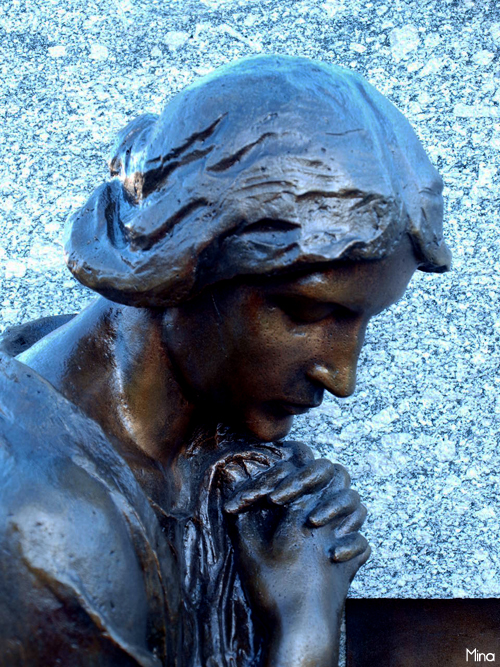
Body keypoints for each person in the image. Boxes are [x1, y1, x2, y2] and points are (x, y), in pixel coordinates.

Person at [0, 55, 450, 667]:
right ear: (181, 264)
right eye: (305, 312)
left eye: (363, 321)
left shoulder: (212, 460)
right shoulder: (45, 527)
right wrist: (305, 627)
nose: (341, 377)